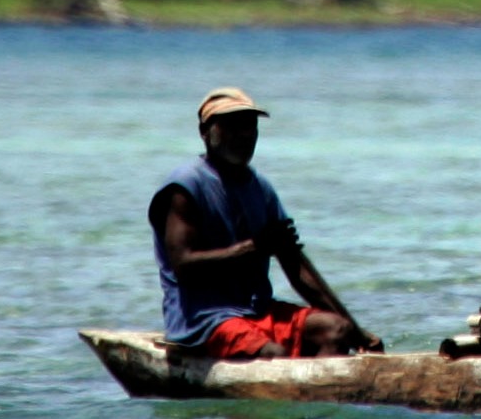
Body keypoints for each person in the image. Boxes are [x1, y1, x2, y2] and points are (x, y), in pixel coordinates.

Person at [150, 86, 384, 360]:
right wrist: (253, 248)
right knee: (274, 353)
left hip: (257, 311)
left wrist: (356, 331)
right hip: (203, 320)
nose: (245, 134)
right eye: (232, 126)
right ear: (204, 133)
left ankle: (322, 398)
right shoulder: (185, 188)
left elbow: (298, 268)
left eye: (250, 125)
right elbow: (183, 265)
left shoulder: (261, 189)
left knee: (336, 330)